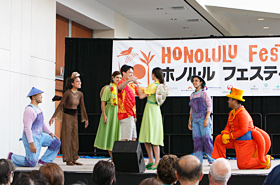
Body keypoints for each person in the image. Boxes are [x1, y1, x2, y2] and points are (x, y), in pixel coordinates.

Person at [212, 87, 271, 169]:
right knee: (219, 139)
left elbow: (243, 130)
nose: (228, 101)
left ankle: (264, 161)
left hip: (244, 142)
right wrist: (225, 133)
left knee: (242, 165)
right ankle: (221, 163)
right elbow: (228, 126)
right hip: (235, 139)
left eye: (229, 99)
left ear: (235, 101)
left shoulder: (242, 114)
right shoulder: (232, 113)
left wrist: (230, 136)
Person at [8, 87, 61, 167]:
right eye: (39, 95)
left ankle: (44, 161)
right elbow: (27, 128)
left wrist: (50, 133)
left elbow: (42, 124)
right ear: (33, 97)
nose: (41, 97)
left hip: (40, 136)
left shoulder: (38, 109)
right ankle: (12, 157)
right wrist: (31, 143)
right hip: (32, 138)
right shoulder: (29, 110)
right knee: (31, 163)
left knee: (56, 142)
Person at [49, 72, 89, 166]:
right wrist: (54, 116)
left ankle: (75, 158)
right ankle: (68, 159)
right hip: (67, 116)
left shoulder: (80, 94)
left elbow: (82, 107)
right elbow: (60, 105)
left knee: (75, 137)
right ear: (72, 83)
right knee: (67, 137)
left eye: (80, 81)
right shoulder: (68, 93)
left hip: (74, 116)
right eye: (78, 81)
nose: (80, 83)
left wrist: (86, 119)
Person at [138, 67, 165, 170]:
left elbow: (141, 96)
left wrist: (137, 84)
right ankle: (151, 160)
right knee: (149, 136)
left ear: (154, 75)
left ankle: (155, 161)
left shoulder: (153, 86)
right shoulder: (161, 85)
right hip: (156, 110)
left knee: (151, 137)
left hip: (150, 109)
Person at [94, 71, 122, 160]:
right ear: (112, 78)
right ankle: (113, 158)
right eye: (117, 77)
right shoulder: (108, 88)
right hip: (110, 111)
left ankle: (118, 157)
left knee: (119, 135)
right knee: (110, 134)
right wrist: (104, 115)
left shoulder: (121, 88)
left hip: (119, 112)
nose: (119, 79)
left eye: (120, 78)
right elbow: (103, 102)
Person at [188, 75, 214, 165]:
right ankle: (198, 160)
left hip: (203, 118)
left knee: (207, 138)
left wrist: (207, 119)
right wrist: (189, 121)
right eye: (193, 81)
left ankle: (211, 159)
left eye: (196, 81)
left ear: (201, 82)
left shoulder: (204, 93)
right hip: (195, 120)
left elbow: (209, 106)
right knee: (196, 139)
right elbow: (191, 109)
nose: (194, 82)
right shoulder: (192, 95)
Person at [117, 65, 145, 141]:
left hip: (132, 115)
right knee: (125, 138)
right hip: (125, 114)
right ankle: (121, 152)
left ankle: (130, 153)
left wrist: (137, 84)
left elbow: (141, 93)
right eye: (130, 73)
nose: (132, 75)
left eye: (132, 73)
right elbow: (119, 87)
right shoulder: (121, 82)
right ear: (123, 73)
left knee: (133, 138)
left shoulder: (132, 85)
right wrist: (128, 80)